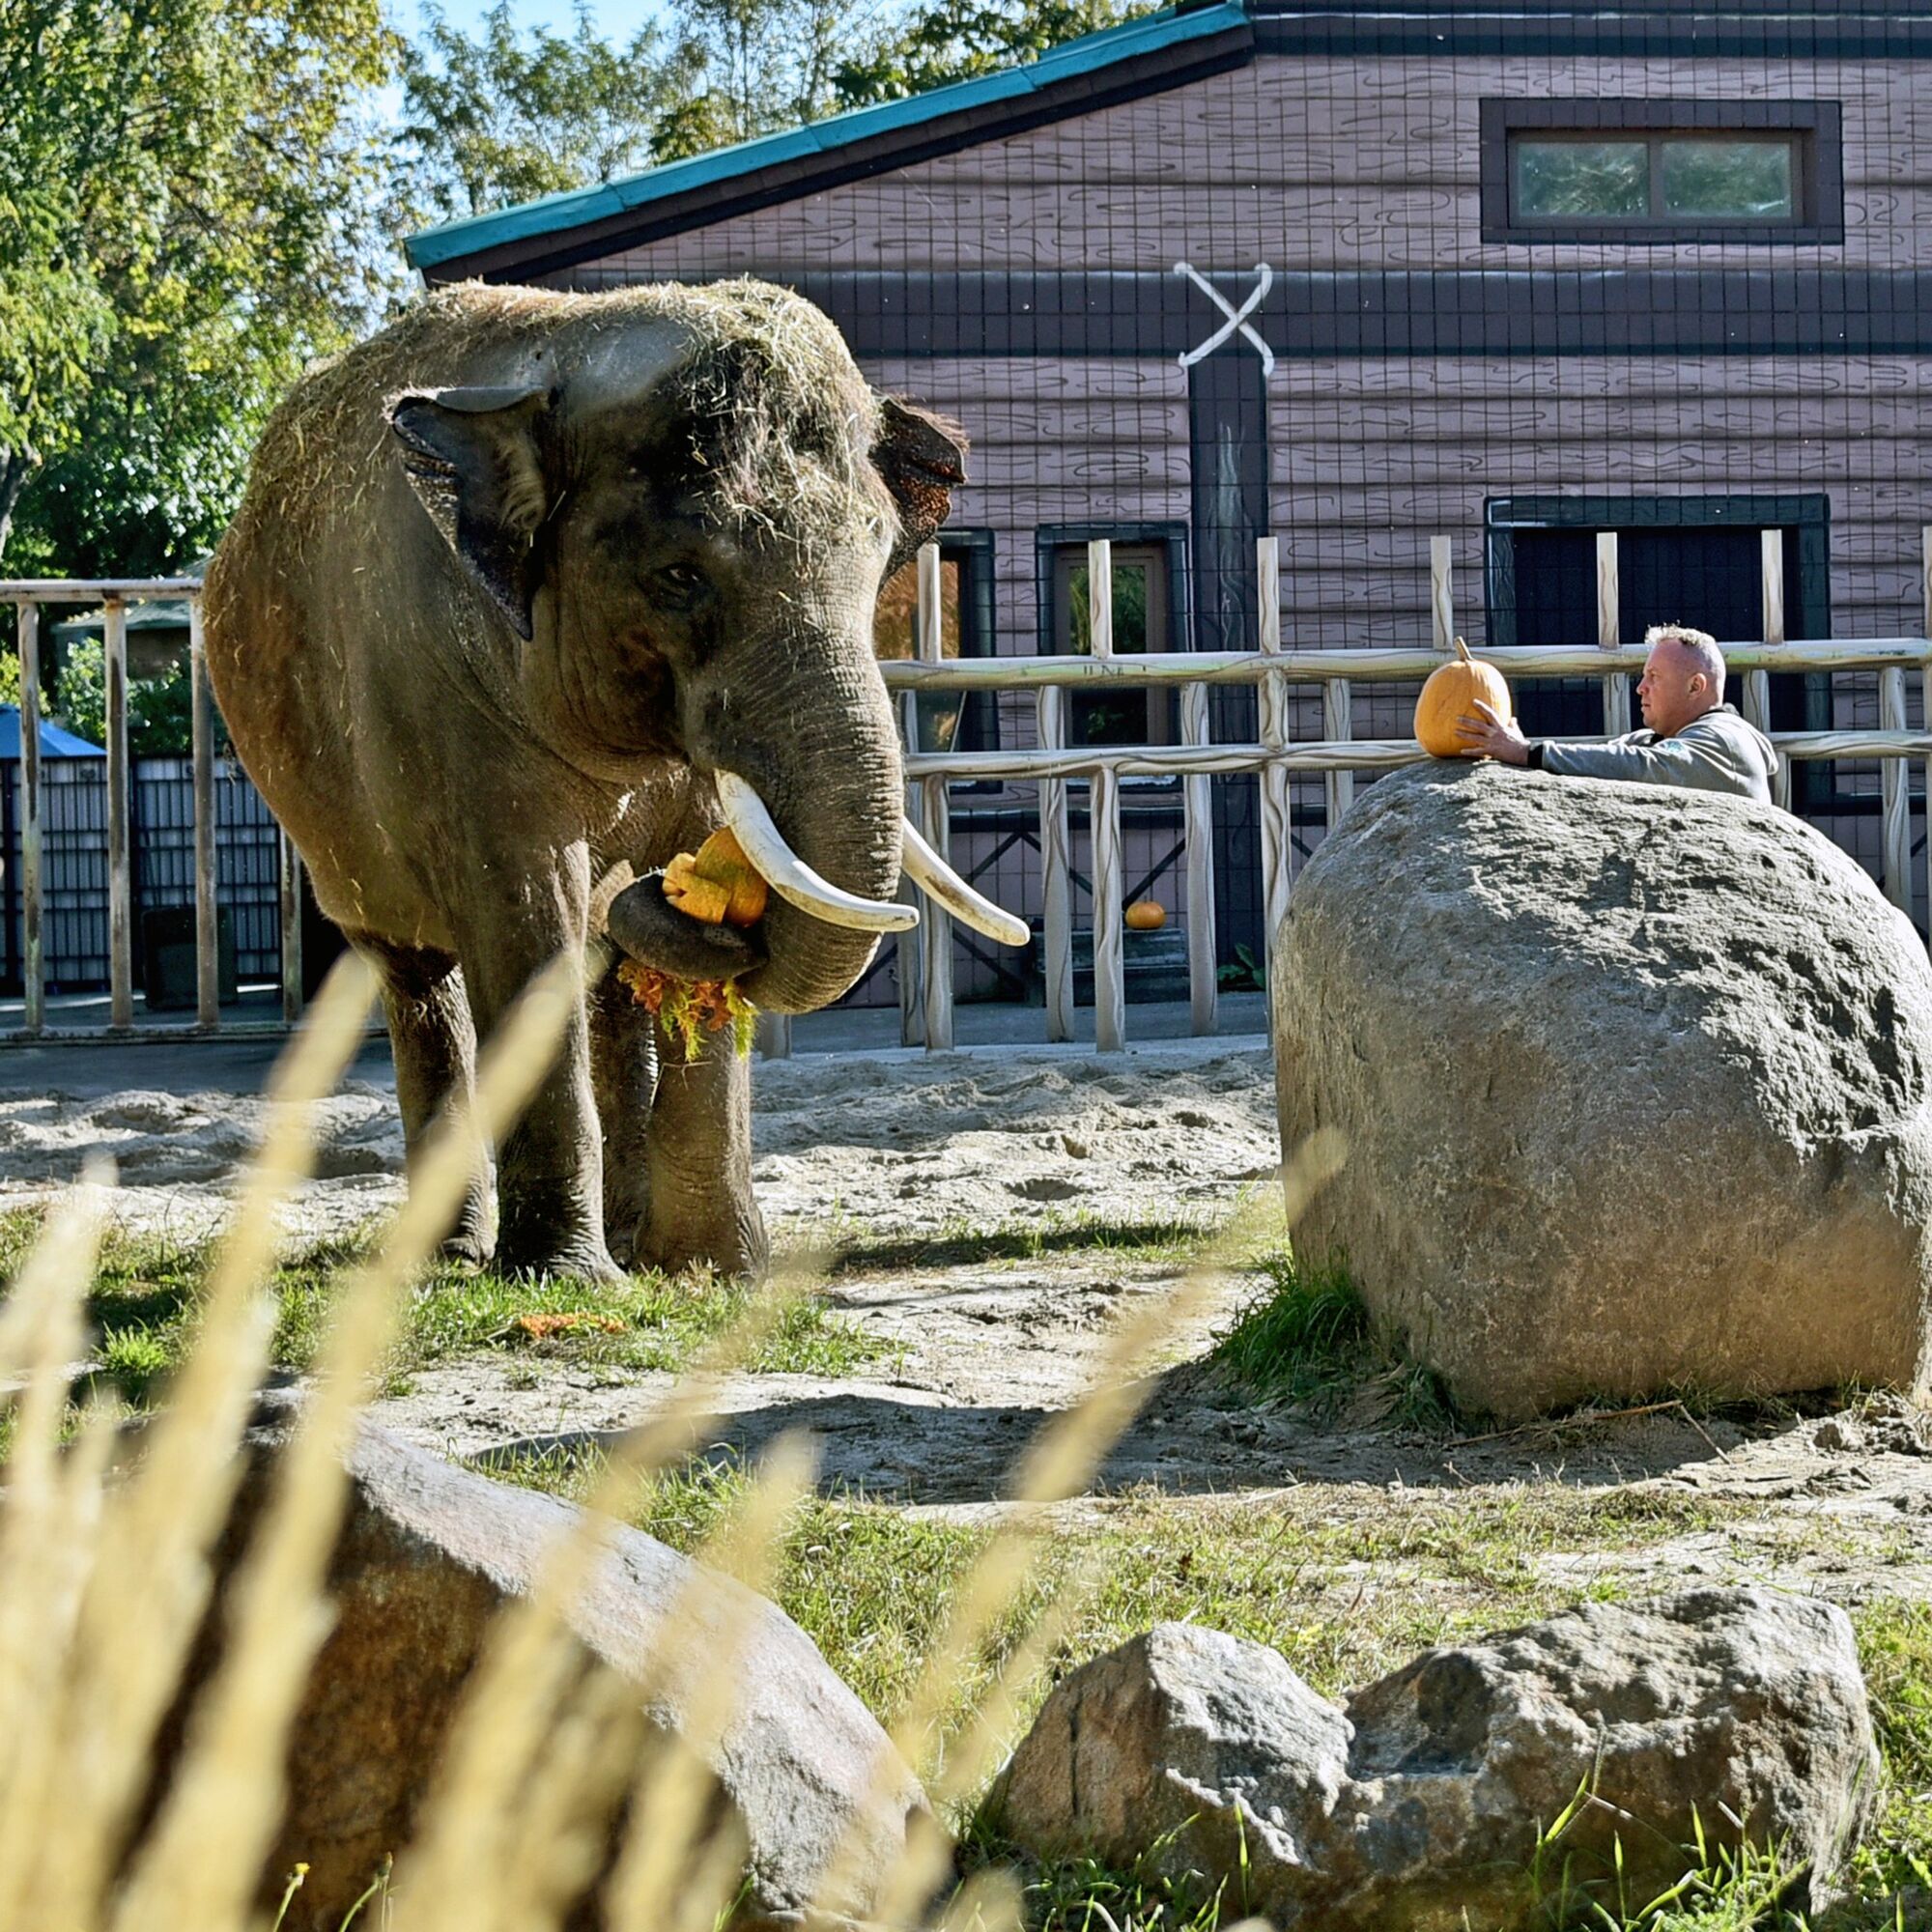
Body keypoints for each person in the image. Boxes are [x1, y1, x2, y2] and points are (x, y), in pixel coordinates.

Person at [1456, 622, 1778, 805]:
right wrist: (1520, 750)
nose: (1640, 688)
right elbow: (1610, 756)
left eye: (1654, 677)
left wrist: (1528, 753)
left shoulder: (1723, 739)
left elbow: (1646, 766)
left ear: (1696, 687)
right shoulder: (1660, 739)